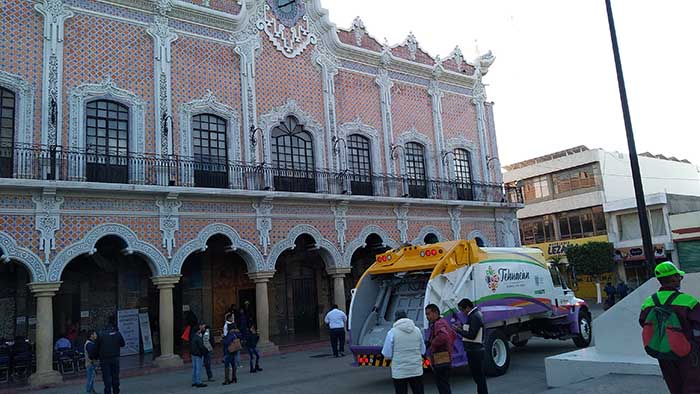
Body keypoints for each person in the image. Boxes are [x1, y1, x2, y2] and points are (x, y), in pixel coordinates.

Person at [639, 261, 700, 394]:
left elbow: (643, 322)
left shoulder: (649, 302)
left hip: (663, 352)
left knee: (674, 385)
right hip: (687, 352)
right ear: (673, 279)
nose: (680, 279)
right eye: (679, 277)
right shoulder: (688, 301)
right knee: (693, 385)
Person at [381, 310, 425, 394]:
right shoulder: (417, 330)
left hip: (399, 371)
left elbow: (387, 354)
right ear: (407, 317)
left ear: (396, 319)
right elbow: (423, 351)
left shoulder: (392, 333)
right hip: (416, 369)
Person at [452, 298, 488, 394]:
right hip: (475, 349)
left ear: (467, 308)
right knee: (479, 377)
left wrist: (458, 330)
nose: (462, 312)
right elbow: (472, 329)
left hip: (475, 350)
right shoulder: (475, 314)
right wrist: (462, 327)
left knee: (479, 377)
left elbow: (472, 335)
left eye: (462, 310)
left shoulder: (474, 316)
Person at [425, 303, 455, 394]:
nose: (427, 317)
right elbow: (452, 335)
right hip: (445, 357)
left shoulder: (439, 324)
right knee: (444, 384)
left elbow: (443, 337)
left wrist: (432, 346)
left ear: (435, 312)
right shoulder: (442, 322)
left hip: (441, 358)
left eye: (428, 314)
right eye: (426, 314)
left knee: (442, 385)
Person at [96, 318, 125, 394]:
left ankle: (108, 391)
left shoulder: (101, 335)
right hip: (115, 358)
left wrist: (95, 356)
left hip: (104, 359)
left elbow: (97, 347)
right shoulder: (117, 334)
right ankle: (116, 391)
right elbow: (123, 344)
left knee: (106, 377)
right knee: (115, 376)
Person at [190, 322, 208, 388]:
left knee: (194, 368)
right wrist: (205, 351)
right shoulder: (198, 337)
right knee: (198, 369)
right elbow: (201, 346)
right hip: (198, 354)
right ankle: (198, 382)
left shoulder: (193, 336)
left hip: (193, 354)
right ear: (198, 330)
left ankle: (194, 381)